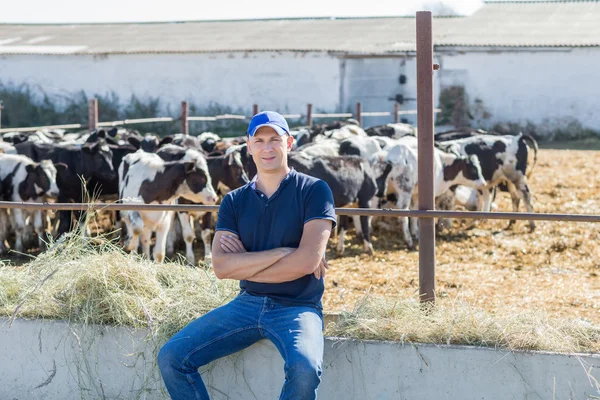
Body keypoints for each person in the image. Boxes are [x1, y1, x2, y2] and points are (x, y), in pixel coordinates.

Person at [158, 111, 337, 399]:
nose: (268, 148)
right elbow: (221, 267)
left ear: (289, 143)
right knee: (171, 358)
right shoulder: (234, 200)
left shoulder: (315, 190)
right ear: (249, 145)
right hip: (247, 303)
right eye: (260, 140)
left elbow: (306, 262)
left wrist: (247, 264)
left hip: (298, 306)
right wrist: (283, 253)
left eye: (275, 140)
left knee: (304, 368)